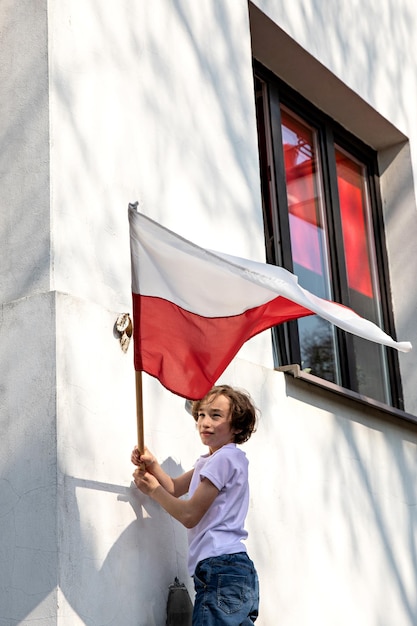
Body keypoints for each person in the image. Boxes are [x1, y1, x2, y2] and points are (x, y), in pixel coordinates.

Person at [131, 384, 259, 625]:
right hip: (233, 571)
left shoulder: (224, 458)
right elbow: (175, 488)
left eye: (216, 415)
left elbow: (189, 515)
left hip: (221, 567)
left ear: (238, 426)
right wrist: (153, 465)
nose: (204, 422)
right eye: (201, 414)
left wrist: (152, 490)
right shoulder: (214, 460)